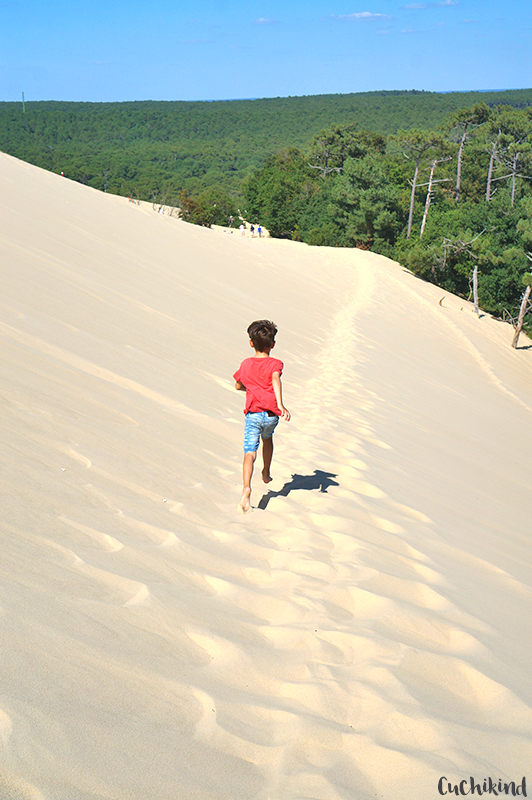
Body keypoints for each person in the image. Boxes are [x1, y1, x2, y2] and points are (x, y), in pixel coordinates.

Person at [233, 320, 290, 513]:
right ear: (272, 344)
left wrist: (252, 387)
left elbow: (238, 385)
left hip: (252, 415)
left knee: (250, 452)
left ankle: (246, 487)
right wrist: (280, 404)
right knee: (268, 438)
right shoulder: (275, 363)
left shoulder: (246, 364)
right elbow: (275, 378)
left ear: (251, 343)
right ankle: (266, 472)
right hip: (271, 416)